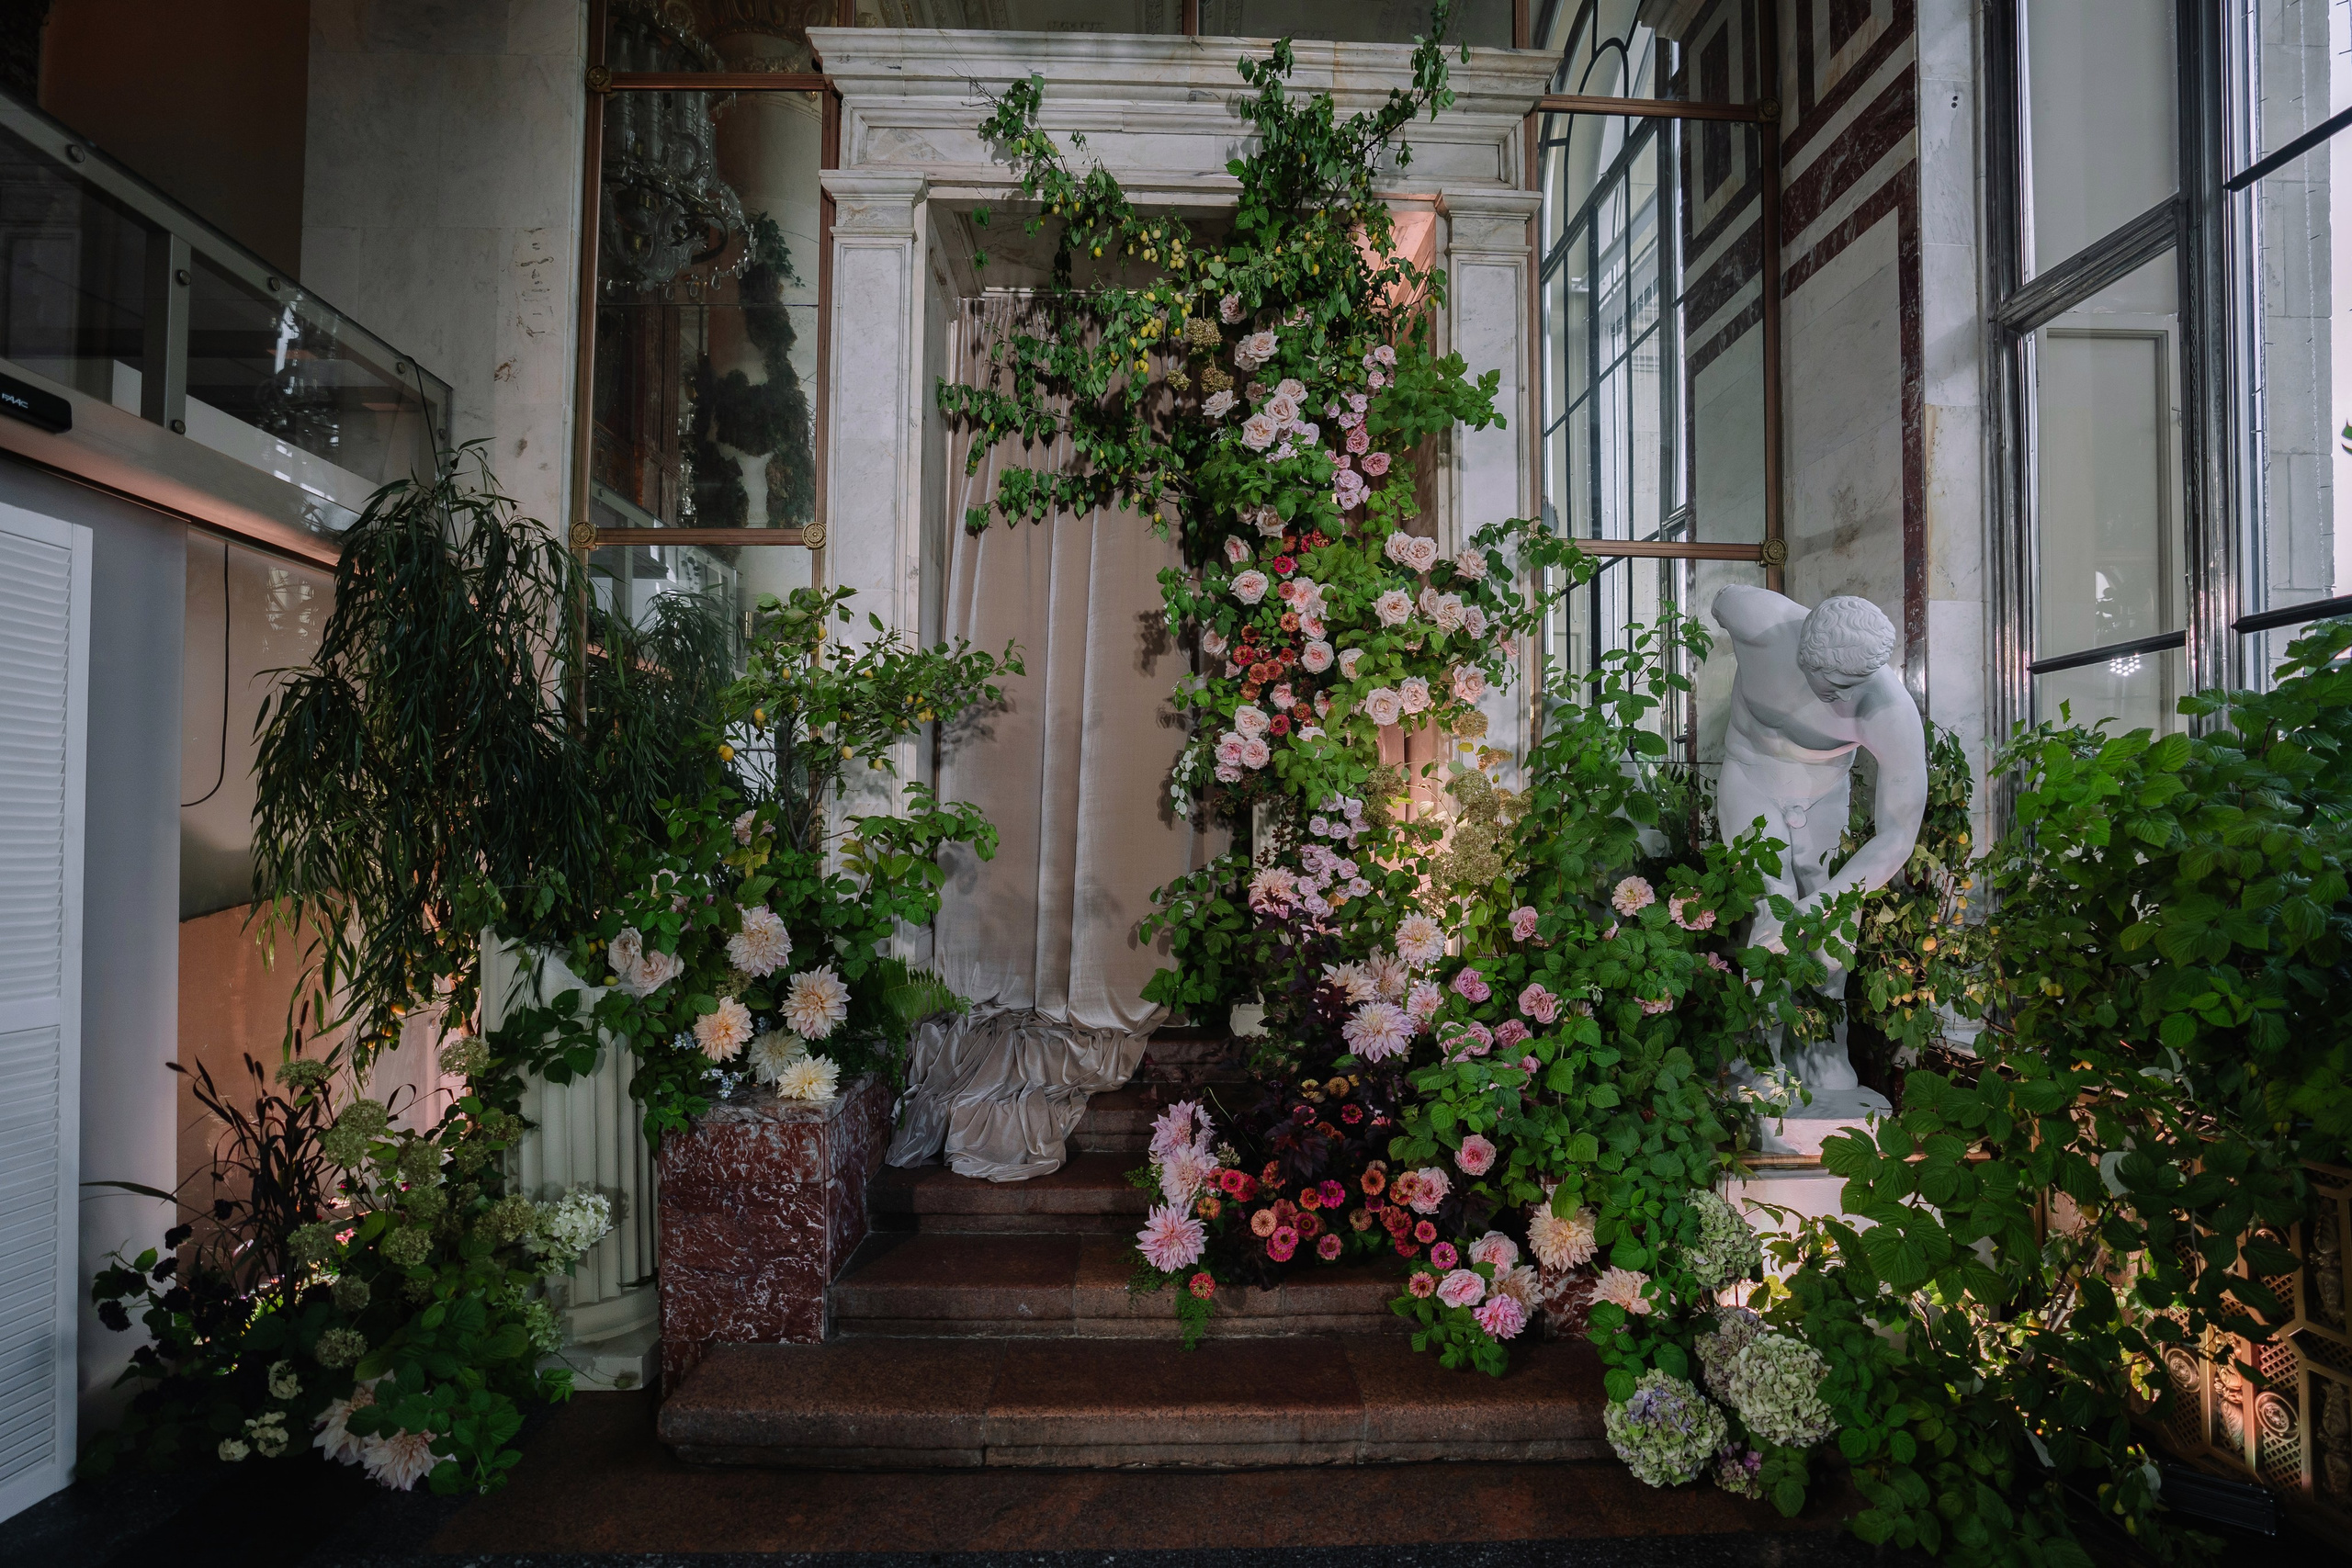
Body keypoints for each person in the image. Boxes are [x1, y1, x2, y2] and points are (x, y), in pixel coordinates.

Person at [1713, 586, 1927, 1095]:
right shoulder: (1760, 625)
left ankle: (1822, 1049)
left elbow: (1898, 834)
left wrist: (1825, 903)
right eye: (1833, 689)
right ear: (1803, 655)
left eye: (1857, 687)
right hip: (1751, 777)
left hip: (1824, 791)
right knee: (1774, 908)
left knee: (1833, 924)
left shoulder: (1889, 709)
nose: (1849, 702)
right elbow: (1720, 598)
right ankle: (1760, 1054)